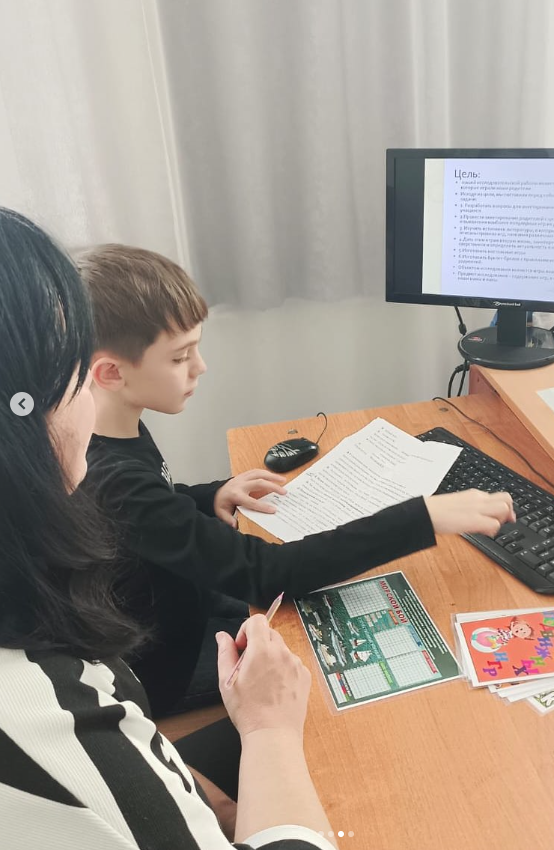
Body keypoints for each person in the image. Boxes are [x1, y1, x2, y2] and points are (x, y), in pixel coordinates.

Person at [0, 205, 344, 850]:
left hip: (155, 667)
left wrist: (205, 497)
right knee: (324, 706)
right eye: (71, 375)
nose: (87, 401)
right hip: (168, 663)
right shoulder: (46, 711)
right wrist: (267, 733)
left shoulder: (37, 588)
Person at [77, 244, 516, 725]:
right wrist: (423, 516)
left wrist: (206, 496)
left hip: (179, 605)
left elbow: (149, 507)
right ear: (111, 373)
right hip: (165, 670)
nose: (200, 367)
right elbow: (269, 574)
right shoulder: (113, 480)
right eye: (181, 357)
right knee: (338, 689)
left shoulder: (103, 431)